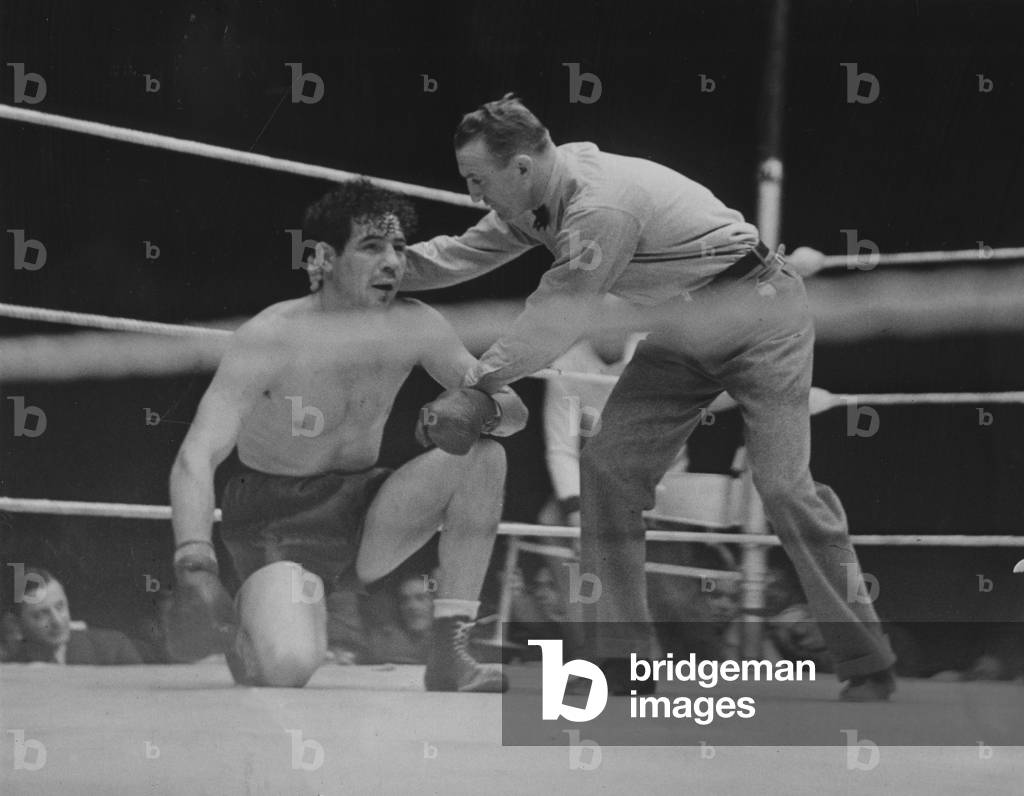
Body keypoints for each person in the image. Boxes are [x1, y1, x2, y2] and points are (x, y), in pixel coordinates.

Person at [401, 94, 896, 700]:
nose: (474, 194)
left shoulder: (600, 209)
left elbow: (553, 322)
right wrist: (382, 270)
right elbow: (464, 252)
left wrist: (475, 389)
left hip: (762, 314)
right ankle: (623, 660)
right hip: (684, 323)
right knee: (608, 468)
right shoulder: (539, 188)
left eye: (478, 180)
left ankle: (868, 659)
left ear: (522, 167)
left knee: (784, 487)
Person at [167, 180, 528, 691]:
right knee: (288, 666)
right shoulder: (271, 335)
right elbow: (198, 454)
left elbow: (515, 412)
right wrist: (194, 562)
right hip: (277, 523)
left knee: (484, 457)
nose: (392, 262)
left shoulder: (415, 325)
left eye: (399, 247)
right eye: (372, 246)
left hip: (363, 511)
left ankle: (450, 653)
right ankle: (256, 622)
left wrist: (479, 409)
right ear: (323, 257)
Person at [3, 567, 142, 665]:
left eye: (60, 607)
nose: (57, 621)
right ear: (15, 623)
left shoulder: (115, 650)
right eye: (41, 615)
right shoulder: (8, 667)